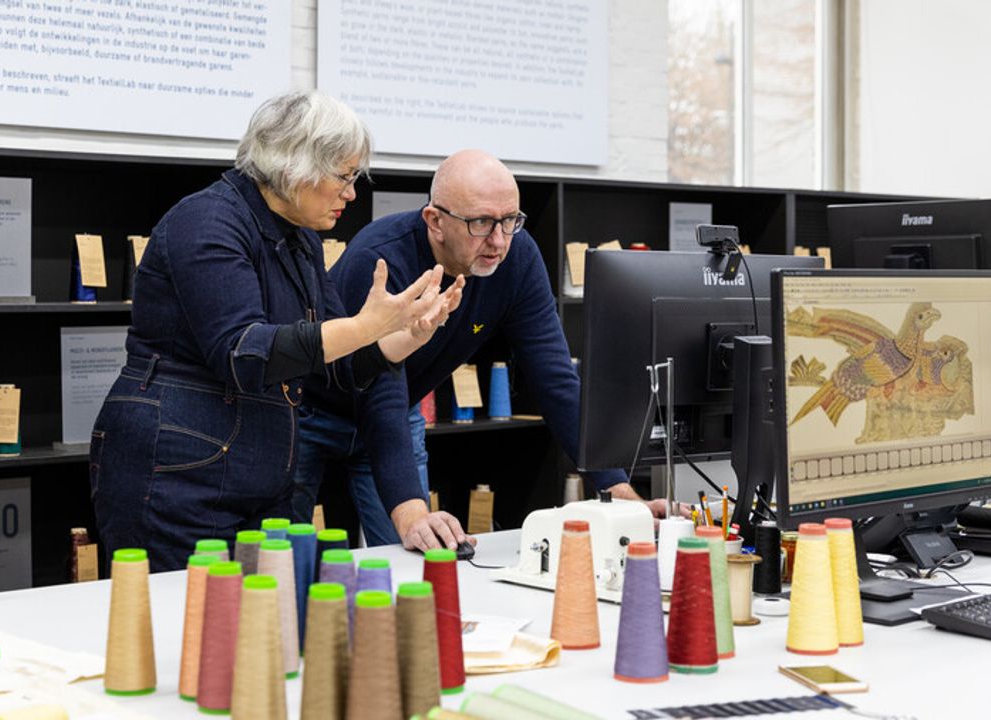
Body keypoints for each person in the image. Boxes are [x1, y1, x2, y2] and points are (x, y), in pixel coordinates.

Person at [89, 91, 464, 571]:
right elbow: (245, 354)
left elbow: (337, 365)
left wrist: (406, 335)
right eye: (344, 177)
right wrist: (366, 325)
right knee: (185, 631)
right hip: (176, 480)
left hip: (252, 481)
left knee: (258, 633)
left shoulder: (300, 240)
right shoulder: (205, 222)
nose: (352, 193)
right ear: (294, 167)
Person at [294, 149, 668, 551]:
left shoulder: (517, 258)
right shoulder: (381, 260)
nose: (499, 241)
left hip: (398, 412)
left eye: (511, 221)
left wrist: (616, 487)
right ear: (435, 221)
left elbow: (555, 376)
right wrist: (411, 510)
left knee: (419, 559)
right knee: (294, 562)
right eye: (481, 223)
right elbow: (379, 385)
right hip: (312, 415)